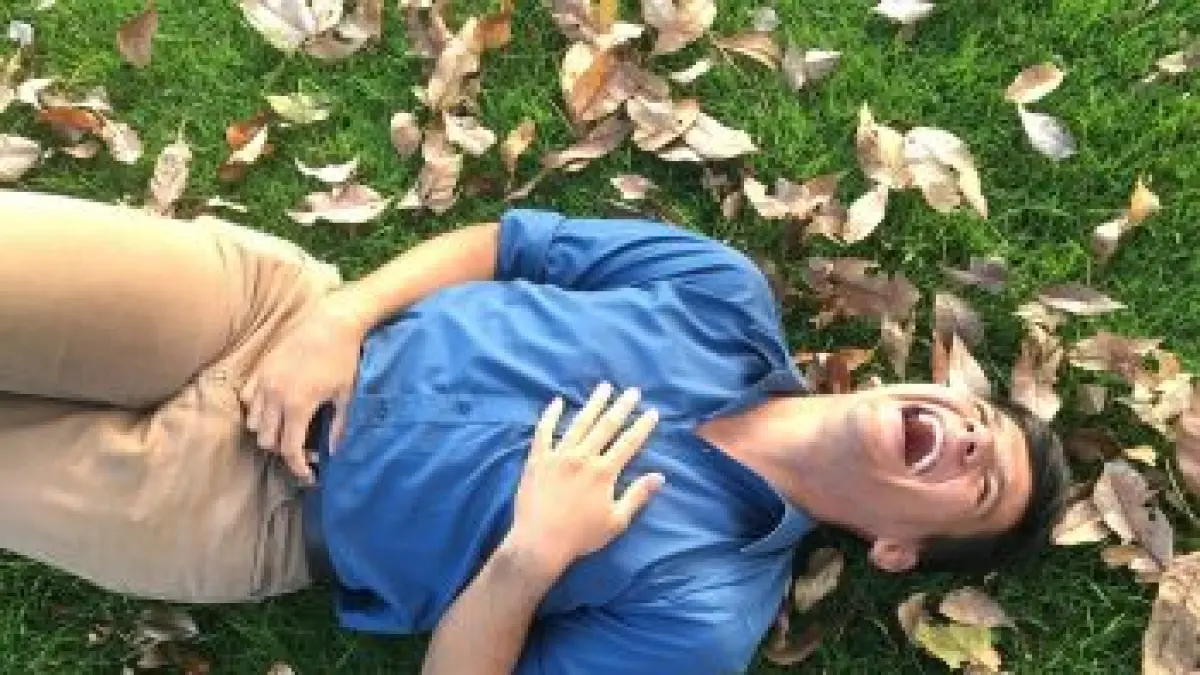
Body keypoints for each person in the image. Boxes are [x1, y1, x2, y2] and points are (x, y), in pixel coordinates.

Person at [0, 189, 1070, 674]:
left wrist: (531, 555)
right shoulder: (724, 295)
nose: (971, 439)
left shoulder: (706, 618)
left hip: (246, 510)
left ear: (897, 550)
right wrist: (342, 315)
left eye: (979, 481)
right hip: (266, 314)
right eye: (980, 420)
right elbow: (509, 244)